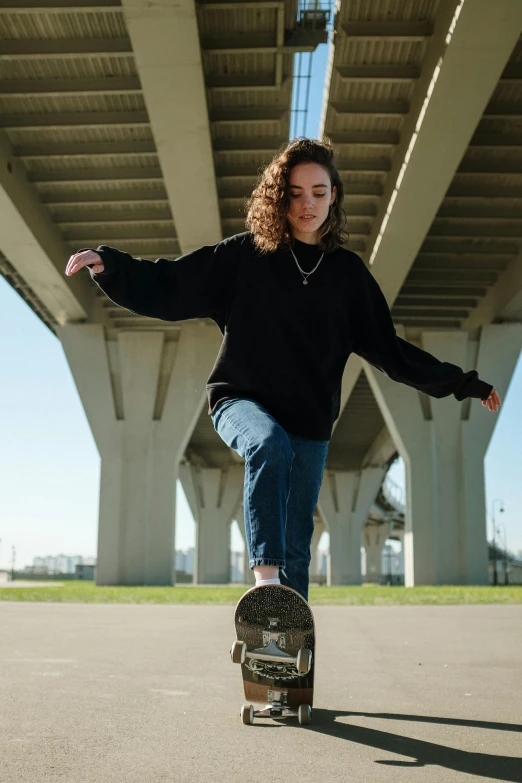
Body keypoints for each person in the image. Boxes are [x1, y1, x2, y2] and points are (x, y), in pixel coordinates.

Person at [65, 137, 501, 601]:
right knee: (267, 444)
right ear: (279, 197)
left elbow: (392, 353)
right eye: (295, 193)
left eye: (318, 192)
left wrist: (464, 384)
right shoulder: (244, 256)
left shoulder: (348, 276)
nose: (307, 204)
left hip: (310, 424)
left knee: (298, 548)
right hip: (239, 400)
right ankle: (265, 588)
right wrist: (110, 265)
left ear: (334, 195)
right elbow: (171, 282)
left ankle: (286, 650)